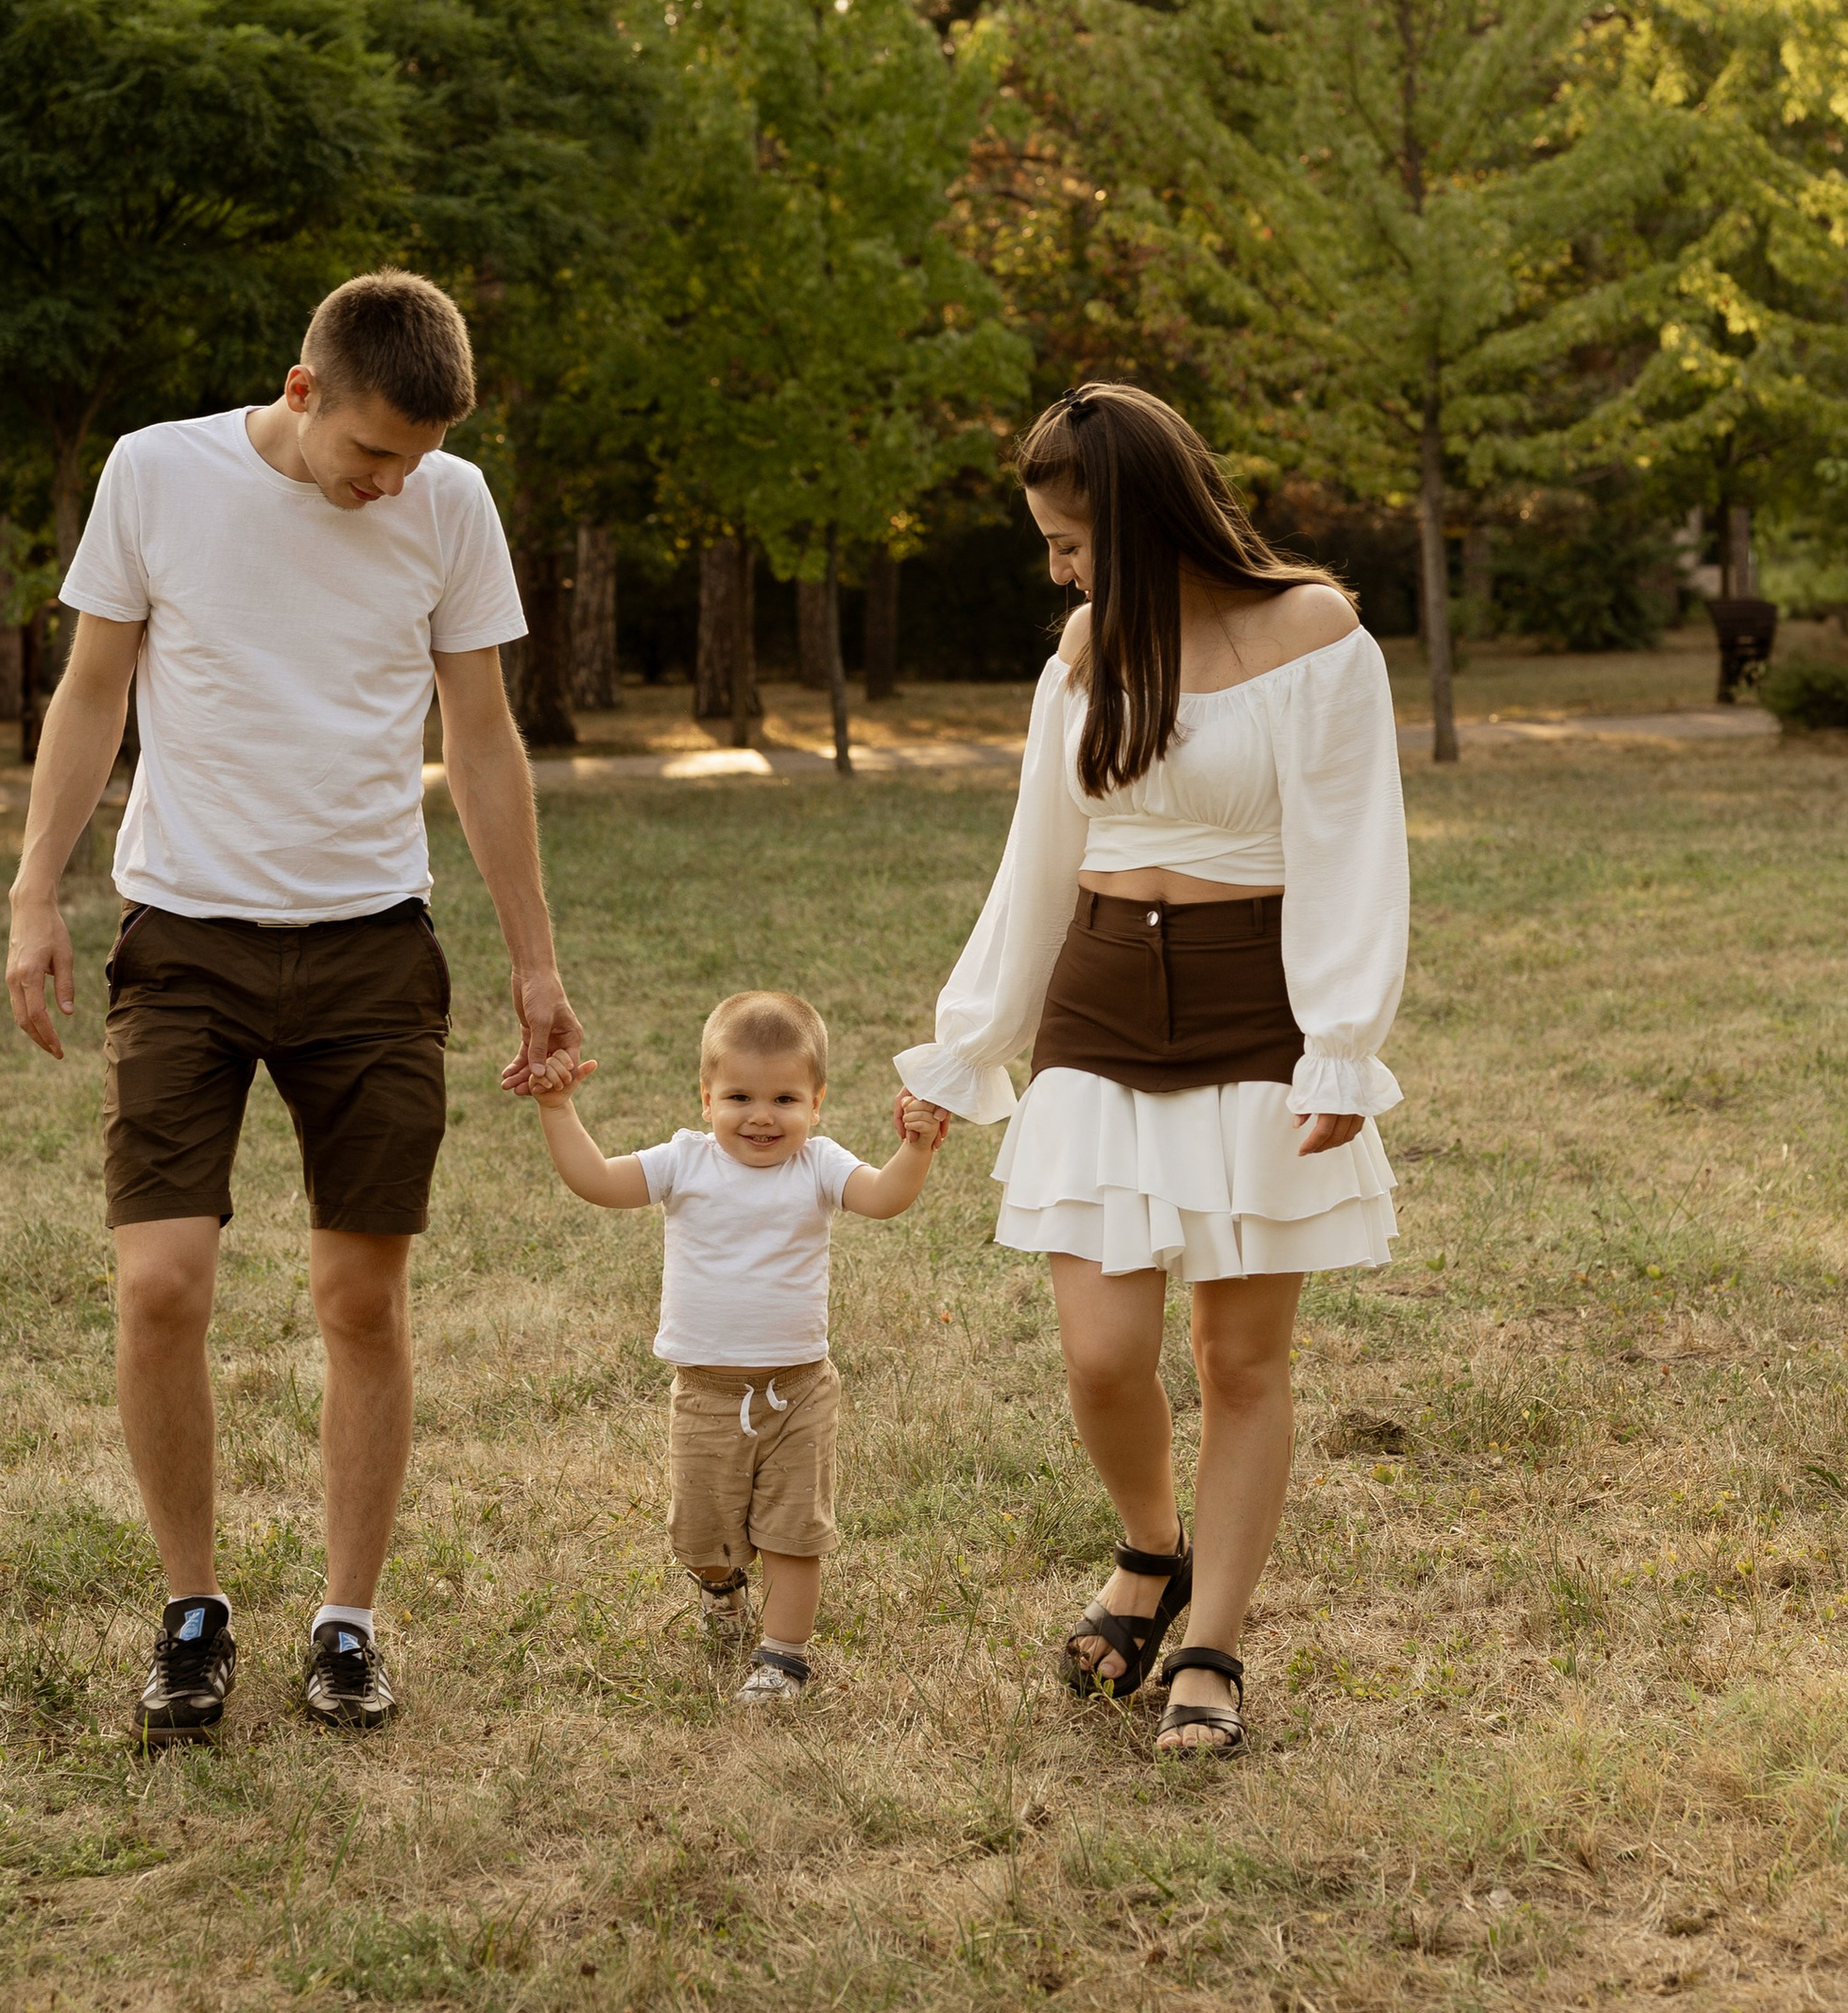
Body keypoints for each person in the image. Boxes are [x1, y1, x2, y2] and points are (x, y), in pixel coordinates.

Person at [4, 268, 584, 1746]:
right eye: (373, 455)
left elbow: (484, 734)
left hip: (374, 947)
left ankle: (346, 1624)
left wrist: (534, 960)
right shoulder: (157, 472)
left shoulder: (451, 507)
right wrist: (31, 894)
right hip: (185, 936)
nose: (393, 486)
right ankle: (192, 1615)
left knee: (360, 1298)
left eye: (420, 460)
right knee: (160, 1283)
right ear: (305, 390)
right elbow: (91, 693)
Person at [897, 384, 1409, 1759]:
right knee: (1103, 1354)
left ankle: (1214, 1644)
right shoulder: (1085, 646)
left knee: (1242, 1359)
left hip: (1258, 1016)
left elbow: (1357, 852)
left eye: (1071, 541)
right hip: (1104, 1010)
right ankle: (1150, 1540)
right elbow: (1036, 860)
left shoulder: (1316, 635)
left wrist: (1340, 1052)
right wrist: (964, 1049)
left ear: (1139, 517)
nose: (1057, 570)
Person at [527, 990, 950, 1703]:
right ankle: (723, 1592)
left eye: (785, 1098)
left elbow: (883, 1198)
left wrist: (914, 1147)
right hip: (707, 1395)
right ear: (706, 1099)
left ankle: (782, 1657)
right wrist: (557, 1109)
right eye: (739, 1097)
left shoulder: (817, 1165)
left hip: (799, 1391)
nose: (761, 1115)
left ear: (817, 1104)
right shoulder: (684, 1163)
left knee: (795, 1531)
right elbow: (597, 1182)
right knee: (702, 1535)